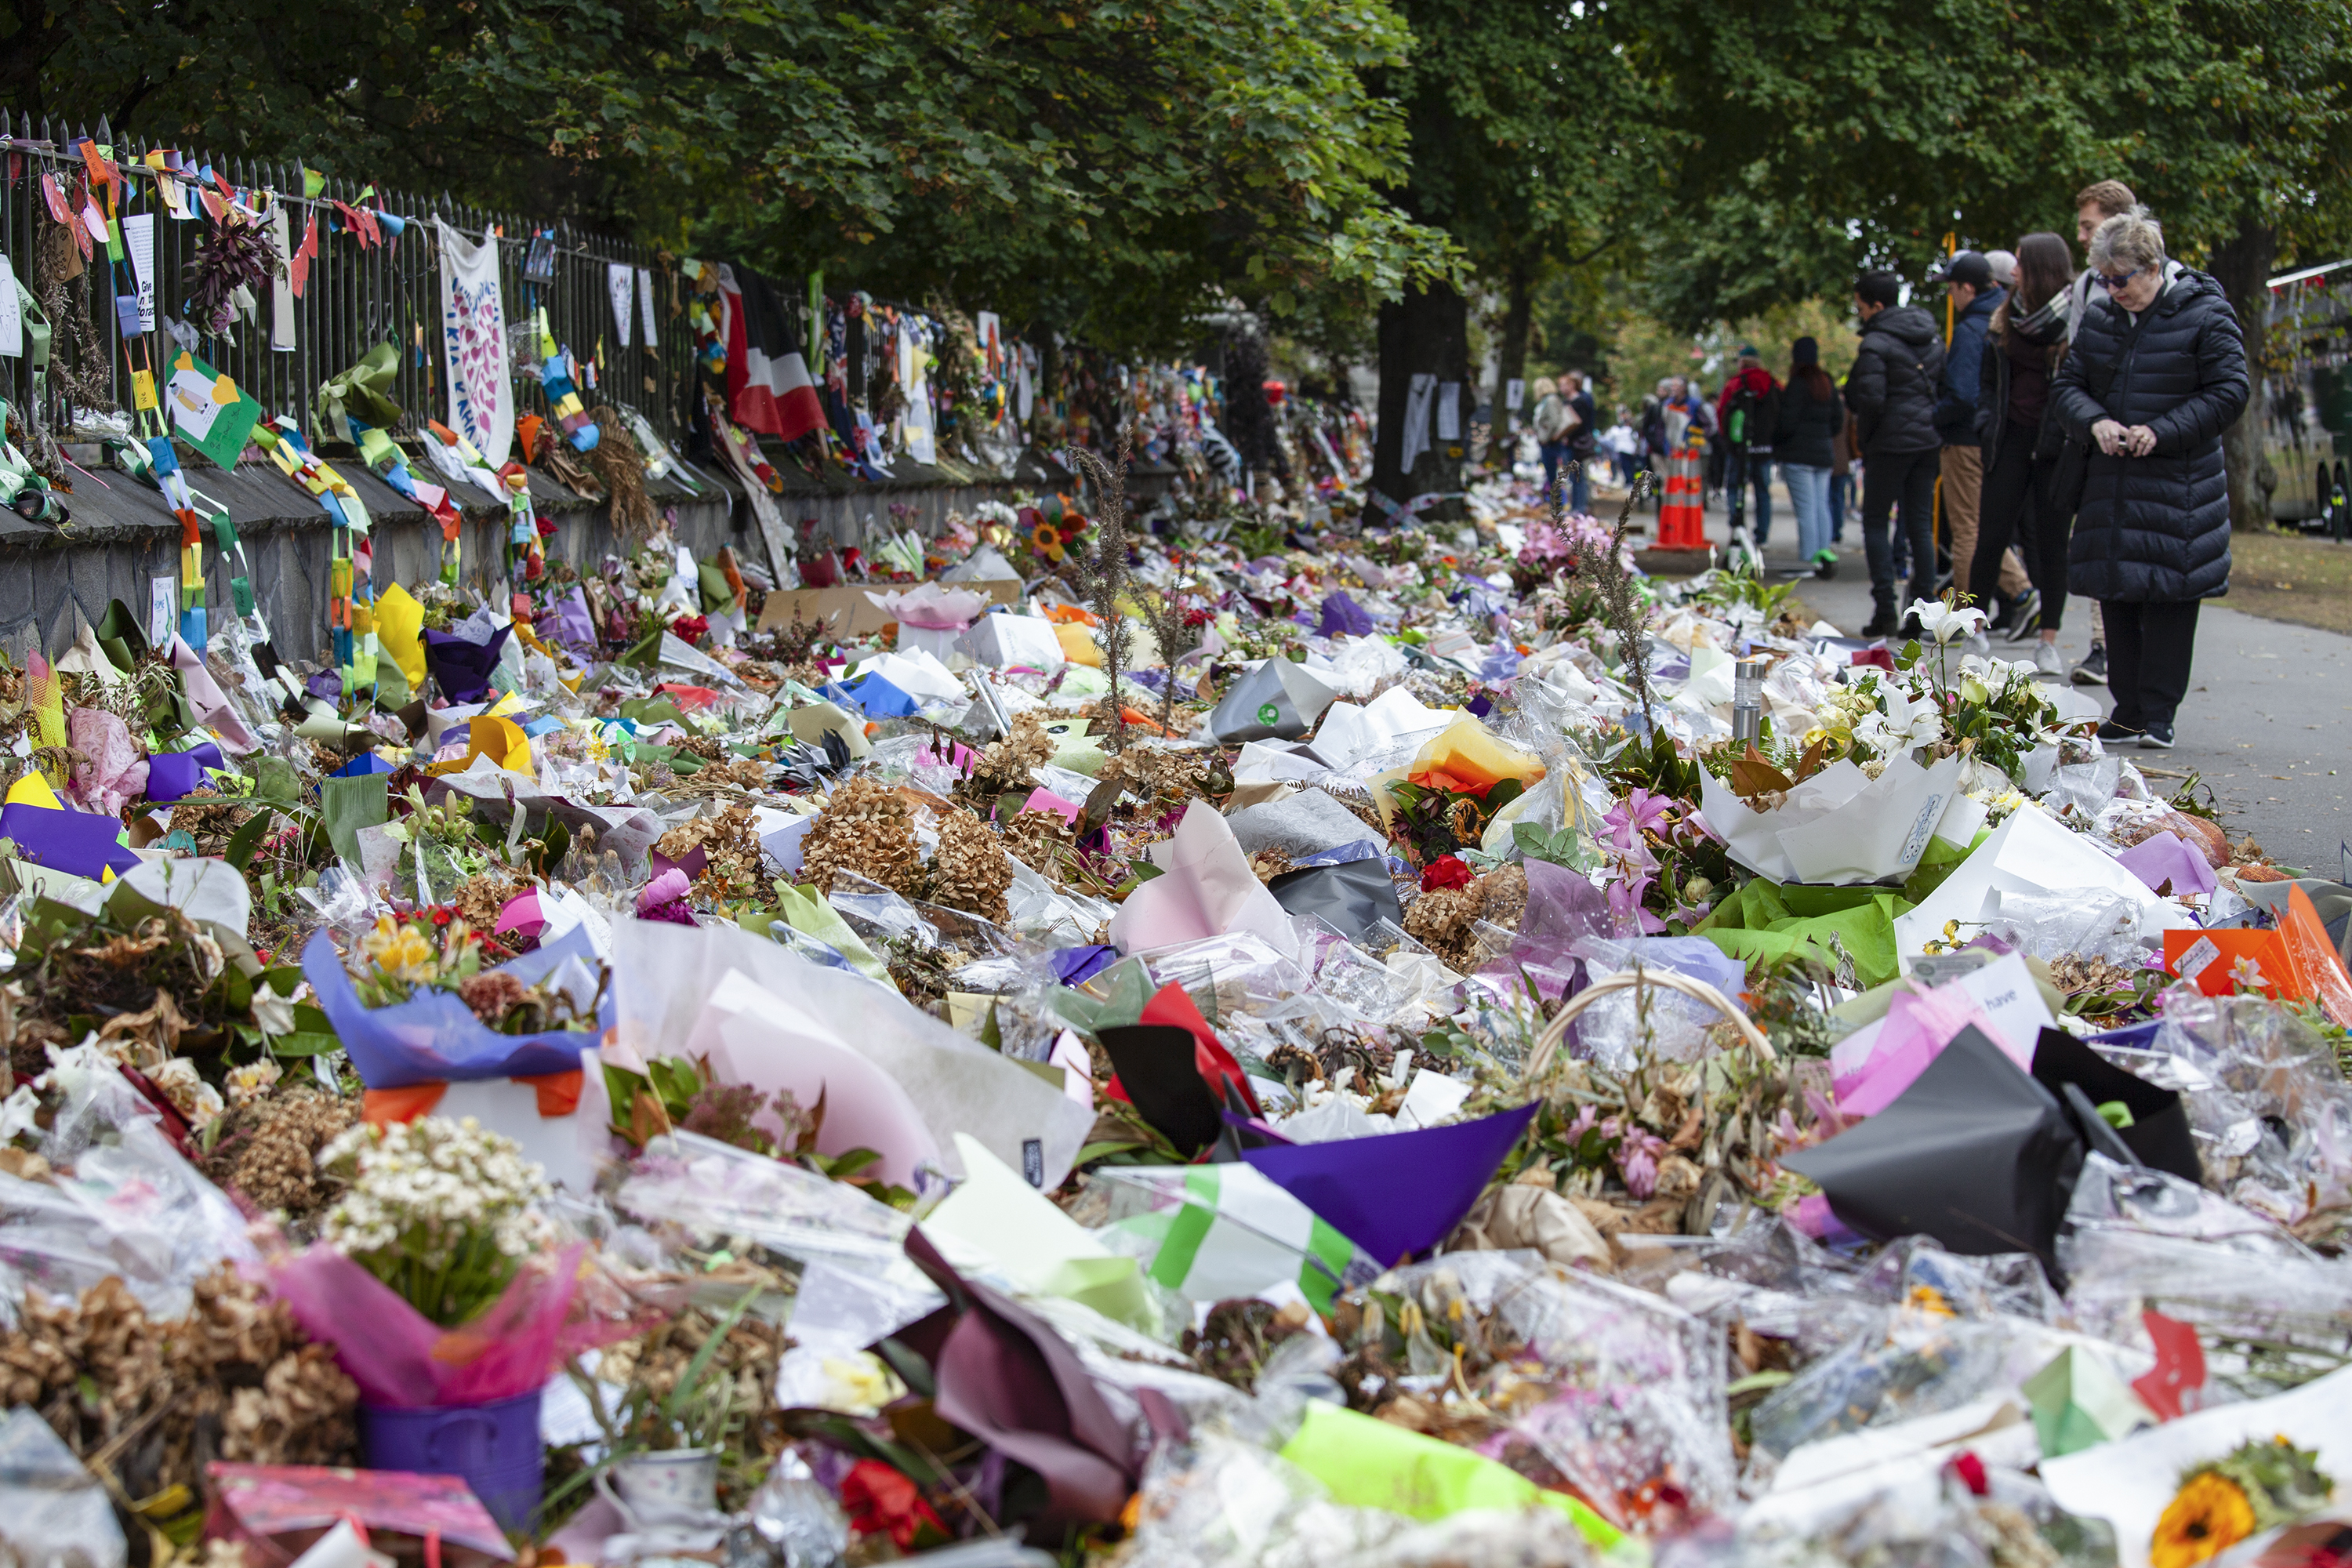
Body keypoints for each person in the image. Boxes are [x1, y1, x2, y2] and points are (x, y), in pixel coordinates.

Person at [2050, 210, 2249, 750]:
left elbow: (2230, 391)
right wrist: (2096, 422)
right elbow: (2068, 385)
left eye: (2122, 279)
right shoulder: (2100, 318)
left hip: (2179, 486)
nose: (2114, 291)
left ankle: (2158, 713)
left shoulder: (2206, 313)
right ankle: (2129, 710)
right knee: (2117, 596)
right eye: (2106, 280)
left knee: (2170, 599)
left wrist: (2161, 432)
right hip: (2111, 481)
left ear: (2153, 267)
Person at [1971, 232, 2078, 680]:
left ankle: (2048, 640)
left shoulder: (2075, 320)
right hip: (2008, 440)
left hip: (2055, 445)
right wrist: (1985, 424)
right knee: (1990, 535)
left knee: (2051, 544)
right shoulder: (2004, 321)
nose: (2012, 271)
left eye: (2019, 262)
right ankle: (1974, 630)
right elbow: (1988, 385)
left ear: (2039, 268)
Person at [2063, 179, 2143, 687]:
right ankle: (2103, 644)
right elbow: (2075, 356)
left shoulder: (2157, 274)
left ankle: (2135, 657)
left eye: (2089, 226)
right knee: (2102, 543)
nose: (2081, 236)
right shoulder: (2090, 284)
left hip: (2146, 431)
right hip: (2101, 428)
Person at [1933, 251, 2034, 633]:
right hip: (1997, 437)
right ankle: (2022, 593)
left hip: (1964, 438)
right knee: (1981, 525)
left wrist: (1934, 416)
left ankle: (1963, 620)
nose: (1951, 298)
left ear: (1968, 288)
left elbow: (1961, 393)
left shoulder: (1971, 328)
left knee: (1966, 529)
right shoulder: (2007, 315)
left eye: (1953, 289)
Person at [1845, 269, 1946, 637]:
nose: (1860, 315)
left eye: (1861, 307)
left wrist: (1867, 442)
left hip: (1888, 445)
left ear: (1876, 305)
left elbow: (1869, 400)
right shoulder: (1933, 338)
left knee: (1875, 520)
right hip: (1928, 442)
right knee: (1919, 523)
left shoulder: (1875, 344)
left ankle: (1885, 609)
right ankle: (1922, 613)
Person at [1773, 336, 1844, 577]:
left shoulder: (1797, 384)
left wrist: (1780, 443)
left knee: (1806, 510)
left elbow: (1786, 422)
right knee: (1821, 507)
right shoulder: (1826, 383)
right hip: (1823, 454)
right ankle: (1822, 556)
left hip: (1799, 456)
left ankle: (1807, 561)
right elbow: (1837, 421)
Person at [1715, 347, 1779, 546]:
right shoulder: (1772, 383)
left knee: (1734, 487)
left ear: (1742, 362)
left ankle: (1737, 528)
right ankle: (1762, 536)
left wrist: (1727, 440)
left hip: (1738, 447)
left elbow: (1722, 412)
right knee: (1763, 491)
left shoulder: (1734, 384)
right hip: (1764, 447)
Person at [1529, 376, 1573, 503]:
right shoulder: (1546, 401)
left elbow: (1554, 421)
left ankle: (1558, 500)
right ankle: (1555, 499)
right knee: (1550, 473)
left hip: (1551, 442)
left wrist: (1546, 437)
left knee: (1553, 473)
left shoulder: (1551, 400)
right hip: (1546, 441)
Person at [1563, 369, 1599, 514]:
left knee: (1580, 477)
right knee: (1577, 477)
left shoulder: (1582, 400)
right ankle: (1580, 506)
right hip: (1576, 443)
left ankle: (1581, 507)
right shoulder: (1578, 399)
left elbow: (1580, 424)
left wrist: (1566, 435)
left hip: (1579, 444)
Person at [1830, 408, 1857, 546]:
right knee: (1838, 497)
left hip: (1827, 458)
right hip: (1842, 459)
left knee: (1827, 499)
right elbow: (1852, 436)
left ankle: (1831, 531)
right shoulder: (1846, 411)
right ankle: (1836, 531)